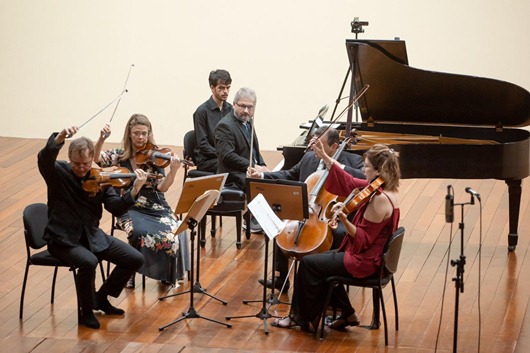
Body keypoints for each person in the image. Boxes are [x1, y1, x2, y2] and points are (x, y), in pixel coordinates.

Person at [271, 142, 400, 333]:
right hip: (371, 256)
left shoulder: (380, 200)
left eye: (366, 167)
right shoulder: (383, 188)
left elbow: (362, 239)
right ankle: (348, 314)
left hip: (364, 262)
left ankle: (298, 317)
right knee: (325, 262)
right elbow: (348, 181)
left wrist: (344, 219)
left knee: (308, 263)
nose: (363, 170)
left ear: (379, 169)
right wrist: (325, 157)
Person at [38, 126, 146, 329]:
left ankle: (101, 297)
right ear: (69, 159)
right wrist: (59, 138)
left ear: (92, 160)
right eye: (77, 164)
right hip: (62, 239)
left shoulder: (101, 177)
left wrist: (135, 190)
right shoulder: (57, 173)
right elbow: (44, 159)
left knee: (134, 258)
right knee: (89, 262)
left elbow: (115, 207)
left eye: (86, 164)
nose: (81, 168)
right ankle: (85, 312)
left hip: (91, 235)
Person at [247, 127, 365, 293]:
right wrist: (261, 176)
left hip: (335, 215)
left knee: (338, 233)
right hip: (308, 208)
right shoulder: (309, 157)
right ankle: (281, 278)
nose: (315, 150)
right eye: (313, 145)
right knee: (281, 227)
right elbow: (289, 174)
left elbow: (362, 180)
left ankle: (330, 286)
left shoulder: (353, 161)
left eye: (320, 146)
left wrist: (333, 163)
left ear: (334, 147)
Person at [94, 114, 188, 288]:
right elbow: (97, 159)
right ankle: (130, 270)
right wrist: (101, 138)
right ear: (129, 133)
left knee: (176, 230)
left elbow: (162, 187)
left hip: (155, 204)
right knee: (139, 232)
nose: (141, 137)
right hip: (129, 206)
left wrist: (174, 171)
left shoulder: (156, 155)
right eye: (137, 133)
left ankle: (166, 273)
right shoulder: (120, 155)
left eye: (144, 133)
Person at [215, 87, 268, 190]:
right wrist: (253, 166)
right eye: (242, 106)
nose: (246, 111)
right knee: (266, 188)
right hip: (234, 176)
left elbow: (255, 150)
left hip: (249, 171)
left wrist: (262, 165)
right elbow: (228, 156)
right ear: (234, 104)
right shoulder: (224, 126)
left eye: (250, 107)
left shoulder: (249, 121)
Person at [193, 69, 233, 172]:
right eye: (221, 88)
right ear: (212, 88)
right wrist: (223, 154)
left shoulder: (231, 110)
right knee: (232, 166)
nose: (225, 91)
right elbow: (203, 145)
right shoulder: (201, 112)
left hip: (225, 156)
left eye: (228, 88)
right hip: (207, 160)